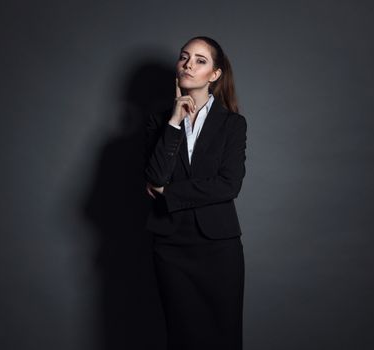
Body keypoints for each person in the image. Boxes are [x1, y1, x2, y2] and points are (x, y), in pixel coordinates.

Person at [143, 36, 247, 350]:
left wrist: (168, 194)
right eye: (184, 57)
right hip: (171, 247)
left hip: (219, 249)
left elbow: (229, 184)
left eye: (200, 60)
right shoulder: (159, 122)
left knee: (223, 336)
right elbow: (155, 176)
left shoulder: (233, 124)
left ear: (215, 74)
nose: (189, 64)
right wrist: (174, 123)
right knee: (182, 337)